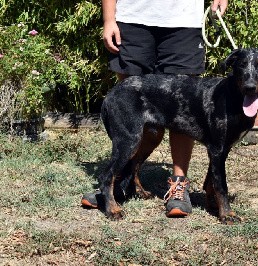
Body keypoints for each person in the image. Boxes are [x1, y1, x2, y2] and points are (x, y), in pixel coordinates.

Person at [81, 0, 229, 217]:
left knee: (184, 108)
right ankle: (121, 180)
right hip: (132, 18)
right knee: (131, 107)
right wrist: (109, 18)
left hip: (184, 20)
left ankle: (179, 186)